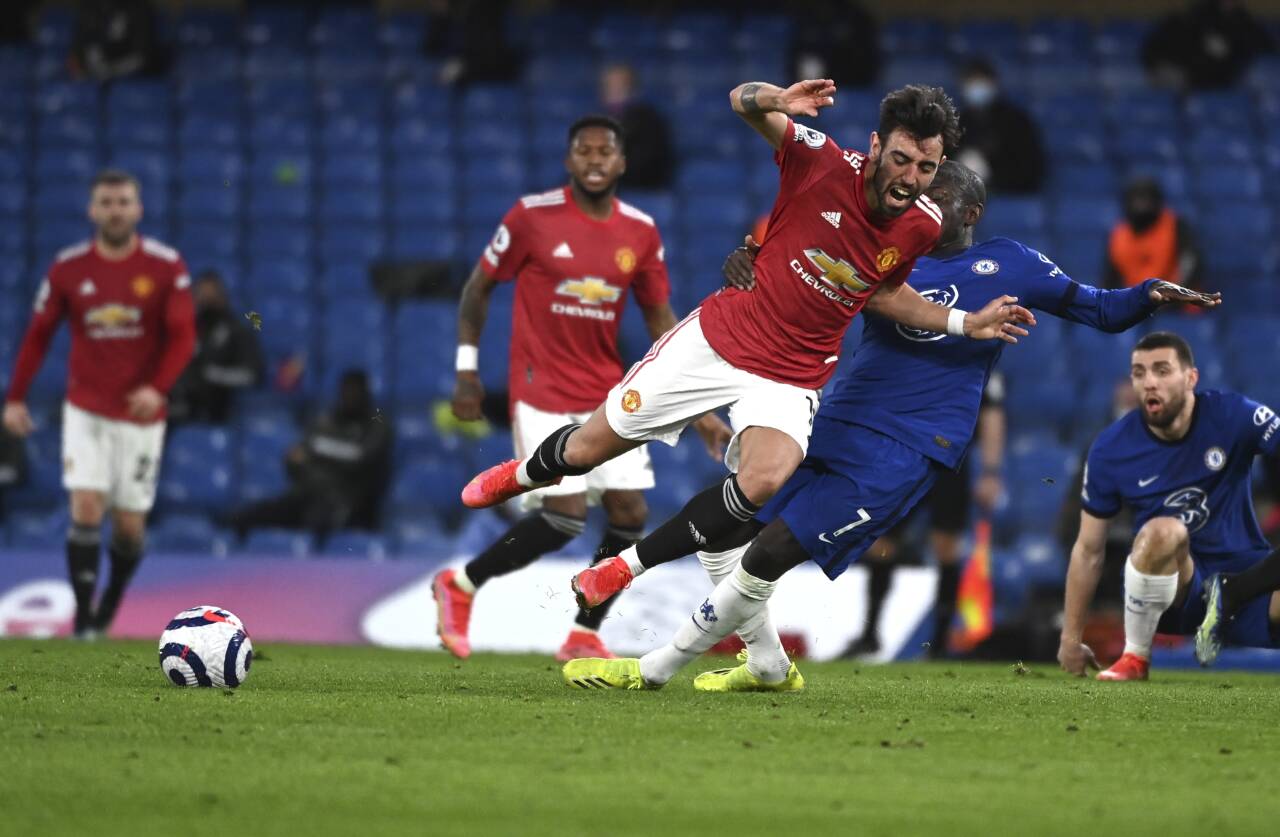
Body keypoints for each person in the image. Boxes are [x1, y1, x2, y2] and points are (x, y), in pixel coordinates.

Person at [559, 160, 1220, 692]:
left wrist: (1147, 295)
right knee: (730, 527)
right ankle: (762, 666)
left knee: (768, 552)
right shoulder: (883, 256)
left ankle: (654, 670)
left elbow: (1097, 307)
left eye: (939, 195)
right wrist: (749, 258)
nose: (923, 203)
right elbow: (797, 265)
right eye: (919, 194)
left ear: (970, 212)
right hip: (837, 417)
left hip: (908, 445)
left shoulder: (1010, 263)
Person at [463, 82, 1033, 618]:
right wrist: (776, 98)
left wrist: (963, 323)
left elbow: (882, 293)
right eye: (902, 160)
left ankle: (621, 569)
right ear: (877, 145)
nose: (910, 178)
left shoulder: (922, 224)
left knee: (765, 478)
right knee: (587, 451)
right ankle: (523, 474)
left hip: (792, 376)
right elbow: (742, 101)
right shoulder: (821, 161)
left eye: (926, 168)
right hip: (720, 340)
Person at [433, 115, 731, 662]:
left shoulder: (640, 231)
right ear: (569, 161)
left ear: (621, 163)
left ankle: (583, 634)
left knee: (629, 514)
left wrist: (699, 410)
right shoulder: (531, 217)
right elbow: (478, 290)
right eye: (584, 151)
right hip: (539, 384)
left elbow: (661, 319)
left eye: (605, 152)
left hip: (605, 392)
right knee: (566, 514)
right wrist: (467, 369)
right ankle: (462, 584)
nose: (595, 160)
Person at [2, 169, 195, 638]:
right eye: (106, 202)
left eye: (123, 202)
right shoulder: (68, 268)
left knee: (129, 527)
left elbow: (184, 336)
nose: (115, 210)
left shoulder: (165, 266)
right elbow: (38, 336)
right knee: (86, 506)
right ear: (92, 210)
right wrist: (15, 398)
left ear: (138, 209)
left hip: (141, 415)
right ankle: (85, 620)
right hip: (86, 408)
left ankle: (110, 601)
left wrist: (158, 388)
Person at [1059, 332, 1280, 681]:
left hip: (1248, 583)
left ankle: (1230, 597)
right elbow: (1088, 549)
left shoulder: (1234, 415)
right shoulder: (1111, 449)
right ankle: (1135, 656)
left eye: (1162, 371)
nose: (1149, 383)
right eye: (1139, 373)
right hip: (1175, 592)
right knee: (1164, 531)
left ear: (1190, 378)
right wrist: (1070, 638)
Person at [842, 373, 1005, 660]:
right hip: (906, 456)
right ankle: (870, 635)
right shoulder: (914, 347)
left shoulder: (977, 358)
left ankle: (940, 643)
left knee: (946, 548)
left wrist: (991, 471)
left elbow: (992, 413)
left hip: (951, 463)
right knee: (881, 543)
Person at [227, 370, 392, 547]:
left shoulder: (378, 419)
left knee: (316, 521)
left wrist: (318, 453)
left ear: (366, 392)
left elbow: (363, 458)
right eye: (346, 389)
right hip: (307, 494)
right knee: (245, 518)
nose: (349, 395)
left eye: (355, 390)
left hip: (347, 503)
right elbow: (296, 459)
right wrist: (311, 457)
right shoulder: (328, 419)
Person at [167, 271, 264, 424]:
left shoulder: (238, 328)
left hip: (221, 406)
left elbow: (252, 374)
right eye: (201, 294)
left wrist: (212, 374)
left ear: (222, 295)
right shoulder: (190, 328)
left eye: (210, 294)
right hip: (183, 405)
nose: (204, 299)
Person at [954, 59, 1046, 195]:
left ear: (994, 84)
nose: (977, 89)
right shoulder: (957, 123)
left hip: (1011, 197)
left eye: (981, 82)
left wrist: (992, 173)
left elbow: (1032, 166)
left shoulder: (1017, 121)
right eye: (971, 83)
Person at [1142, 0, 1275, 91]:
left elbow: (1264, 44)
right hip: (1189, 77)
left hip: (1222, 81)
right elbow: (1154, 52)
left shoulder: (1244, 21)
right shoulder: (1195, 17)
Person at [1103, 177, 1202, 296]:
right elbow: (1109, 280)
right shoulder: (1118, 235)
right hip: (1139, 305)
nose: (1141, 205)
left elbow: (1191, 265)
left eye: (1146, 199)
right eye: (1137, 199)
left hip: (1178, 306)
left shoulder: (1176, 226)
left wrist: (1172, 298)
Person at [599, 64, 676, 190]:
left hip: (640, 184)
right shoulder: (598, 119)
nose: (612, 90)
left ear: (631, 87)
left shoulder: (648, 119)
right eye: (608, 86)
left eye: (619, 85)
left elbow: (648, 160)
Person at [70, 0, 169, 81]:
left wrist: (113, 70)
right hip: (96, 74)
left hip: (133, 77)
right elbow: (81, 47)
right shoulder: (90, 7)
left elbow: (143, 56)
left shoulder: (139, 8)